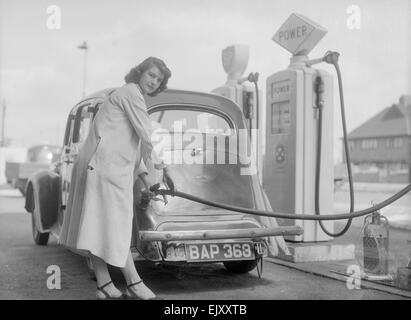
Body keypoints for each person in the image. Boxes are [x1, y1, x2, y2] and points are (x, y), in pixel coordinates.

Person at [59, 57, 174, 300]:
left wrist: (145, 176)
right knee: (116, 228)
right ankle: (134, 283)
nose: (154, 81)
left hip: (103, 169)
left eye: (159, 80)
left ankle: (104, 286)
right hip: (103, 169)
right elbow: (147, 135)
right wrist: (164, 170)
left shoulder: (126, 94)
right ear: (140, 73)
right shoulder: (131, 92)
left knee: (97, 228)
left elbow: (132, 145)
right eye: (151, 75)